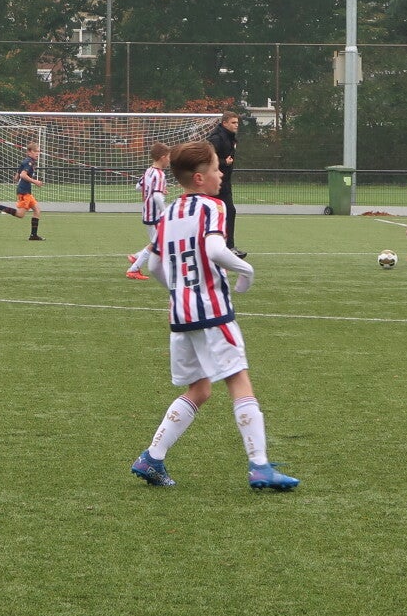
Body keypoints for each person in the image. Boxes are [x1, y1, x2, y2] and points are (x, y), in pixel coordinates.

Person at [129, 139, 298, 492]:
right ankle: (260, 466)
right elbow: (215, 249)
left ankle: (152, 457)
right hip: (213, 311)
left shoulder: (169, 214)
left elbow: (156, 265)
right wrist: (246, 270)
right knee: (238, 379)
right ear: (200, 178)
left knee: (200, 388)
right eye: (217, 169)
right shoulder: (212, 207)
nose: (221, 174)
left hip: (180, 315)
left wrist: (178, 291)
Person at [127, 143, 170, 281]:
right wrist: (165, 212)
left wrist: (154, 189)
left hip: (147, 212)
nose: (169, 160)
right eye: (168, 157)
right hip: (155, 214)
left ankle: (136, 257)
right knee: (157, 244)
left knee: (157, 242)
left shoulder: (148, 171)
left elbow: (138, 187)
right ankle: (134, 269)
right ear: (163, 157)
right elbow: (157, 196)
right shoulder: (160, 174)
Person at [0, 144, 45, 240]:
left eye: (38, 151)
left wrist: (17, 176)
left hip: (26, 191)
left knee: (37, 210)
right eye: (35, 151)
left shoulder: (27, 161)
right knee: (20, 214)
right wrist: (35, 182)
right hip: (24, 191)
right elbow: (23, 175)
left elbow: (18, 174)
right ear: (29, 152)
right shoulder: (29, 162)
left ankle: (33, 235)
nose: (38, 153)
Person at [207, 111, 244, 257]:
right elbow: (207, 157)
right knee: (220, 213)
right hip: (214, 183)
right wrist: (223, 162)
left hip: (225, 183)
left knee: (229, 212)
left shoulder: (230, 137)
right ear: (224, 123)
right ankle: (223, 246)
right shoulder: (217, 138)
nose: (236, 125)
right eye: (233, 123)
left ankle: (228, 246)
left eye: (237, 123)